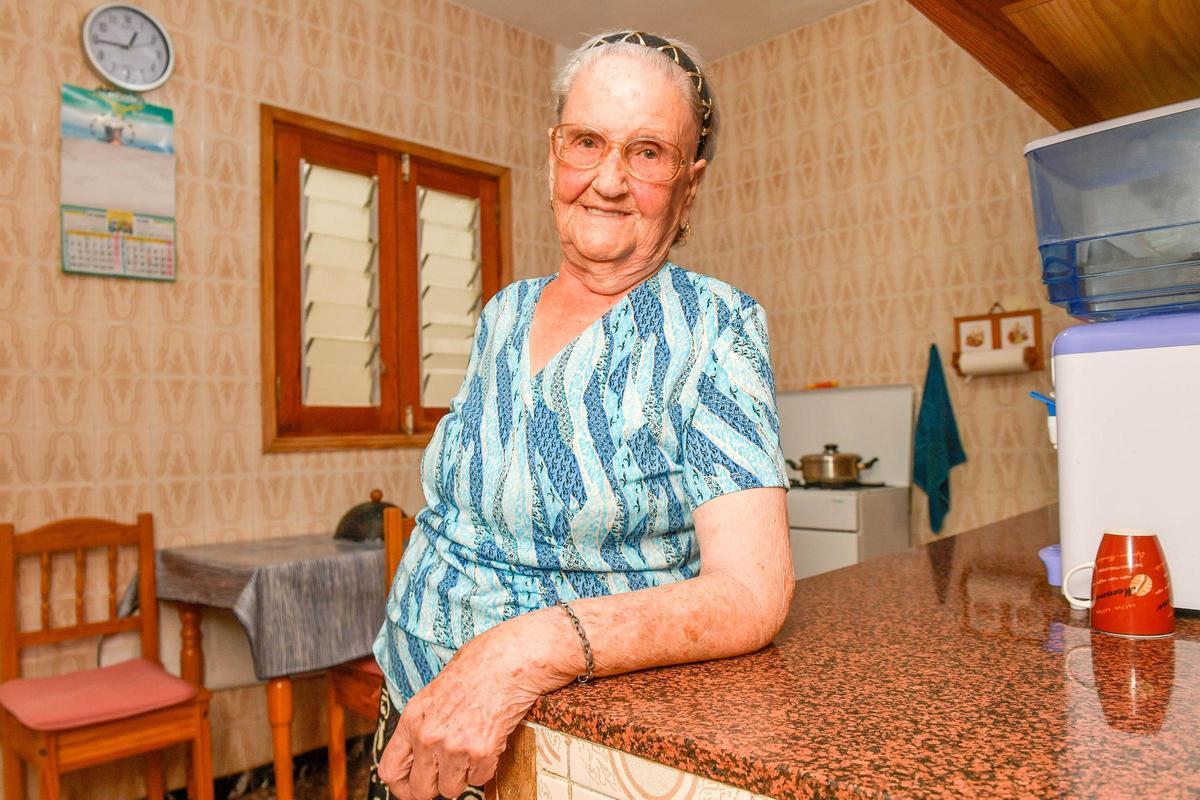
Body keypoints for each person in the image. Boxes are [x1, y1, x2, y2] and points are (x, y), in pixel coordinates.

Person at [370, 30, 794, 800]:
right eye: (586, 141)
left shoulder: (713, 326)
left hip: (557, 755)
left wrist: (515, 654)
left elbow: (751, 594)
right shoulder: (504, 311)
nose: (607, 179)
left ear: (688, 184)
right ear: (552, 154)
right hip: (409, 709)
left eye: (647, 153)